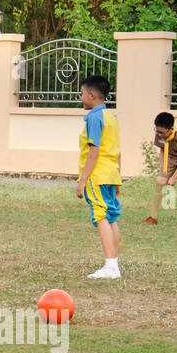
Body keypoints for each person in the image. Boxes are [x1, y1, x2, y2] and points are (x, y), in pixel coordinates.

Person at [76, 74, 122, 279]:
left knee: (100, 216)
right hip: (110, 173)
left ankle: (111, 267)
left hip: (97, 175)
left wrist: (83, 180)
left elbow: (93, 151)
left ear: (92, 94)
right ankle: (114, 264)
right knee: (111, 218)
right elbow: (118, 152)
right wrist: (118, 178)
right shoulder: (111, 118)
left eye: (82, 93)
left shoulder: (94, 117)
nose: (81, 97)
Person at [144, 111, 177, 227]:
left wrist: (174, 178)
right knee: (160, 180)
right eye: (157, 131)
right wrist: (163, 168)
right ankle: (153, 217)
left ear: (171, 129)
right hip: (171, 156)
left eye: (162, 132)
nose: (159, 134)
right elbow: (163, 150)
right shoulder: (160, 134)